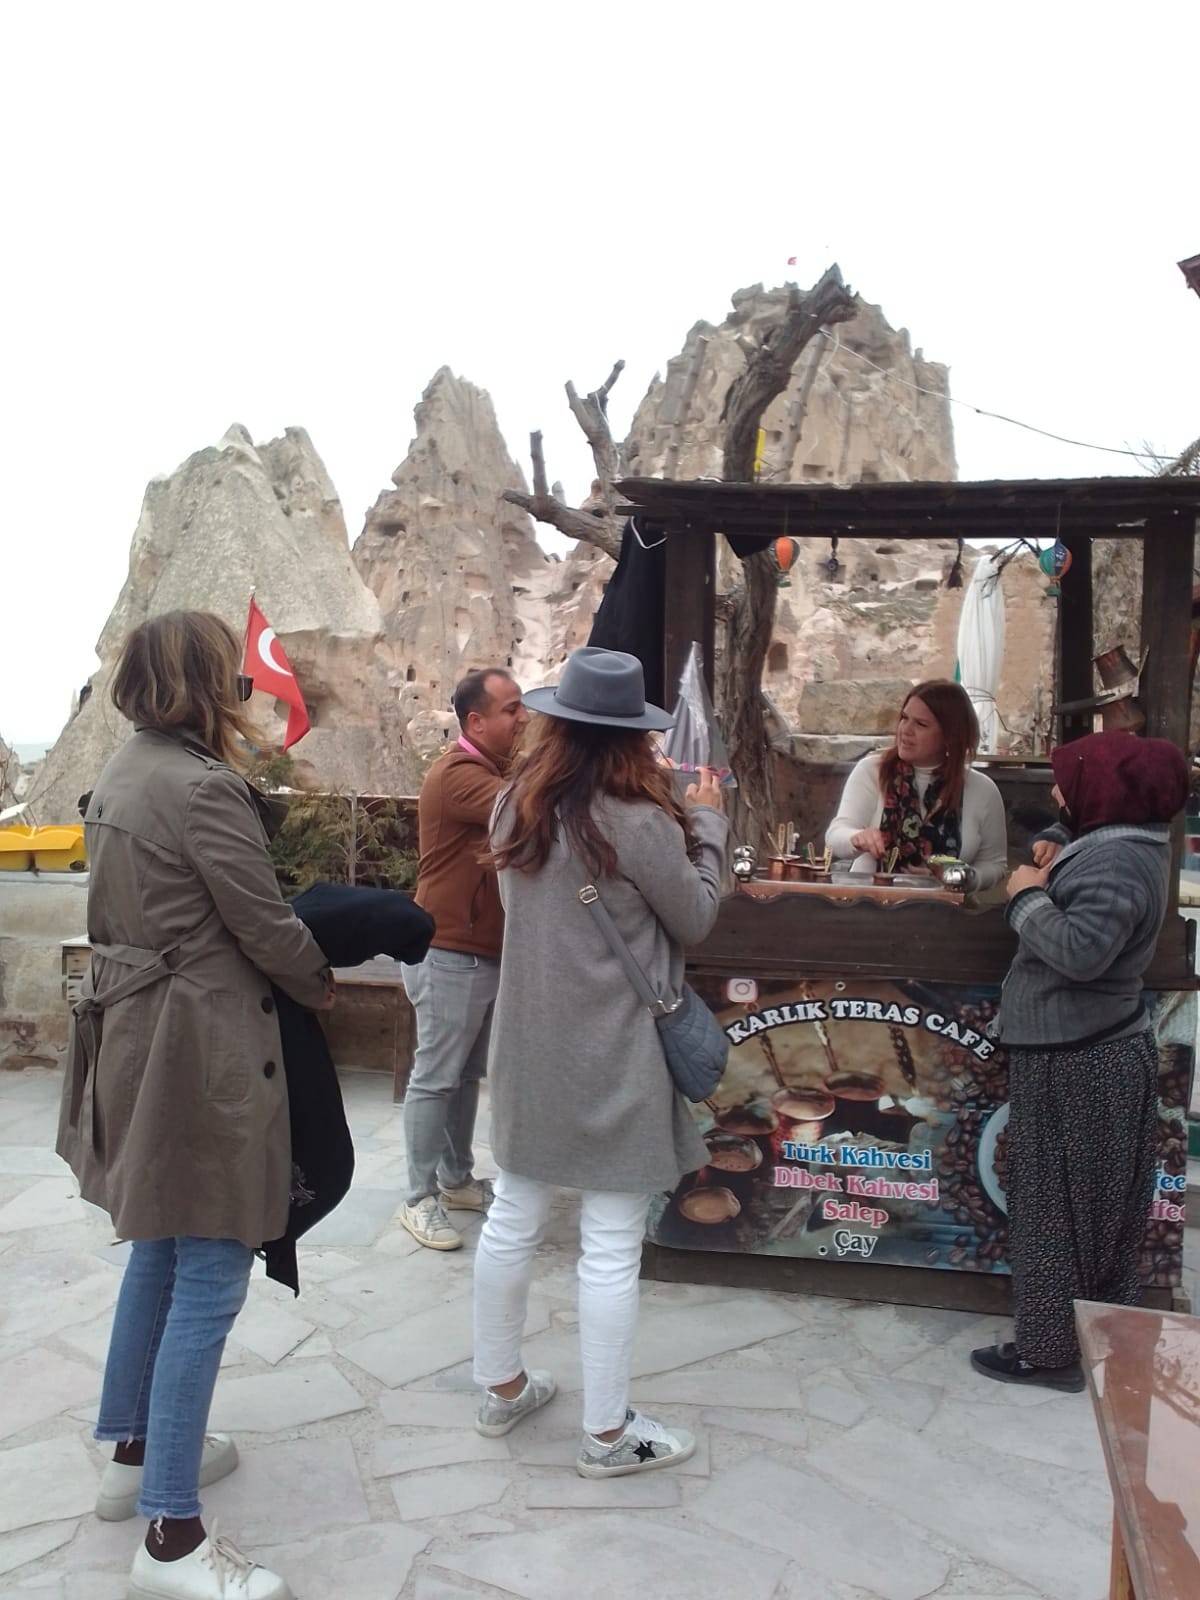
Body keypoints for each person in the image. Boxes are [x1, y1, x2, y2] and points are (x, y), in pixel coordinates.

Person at [56, 611, 335, 1600]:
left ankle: (133, 1452)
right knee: (211, 1268)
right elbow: (264, 924)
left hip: (141, 1037)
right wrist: (319, 979)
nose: (245, 692)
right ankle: (171, 1535)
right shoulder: (203, 787)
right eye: (234, 676)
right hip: (200, 1046)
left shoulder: (125, 769)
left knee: (162, 1245)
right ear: (205, 683)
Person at [471, 646, 728, 1477]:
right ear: (631, 736)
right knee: (611, 1243)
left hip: (529, 1042)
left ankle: (501, 1386)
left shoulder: (512, 805)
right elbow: (695, 916)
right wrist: (710, 823)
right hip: (616, 1053)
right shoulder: (637, 820)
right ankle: (608, 1435)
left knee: (513, 1214)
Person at [971, 730, 1189, 1391]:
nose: (1058, 794)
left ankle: (1048, 1353)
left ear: (1106, 792)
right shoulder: (1130, 842)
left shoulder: (1116, 863)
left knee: (1054, 1212)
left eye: (1070, 784)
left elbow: (1082, 952)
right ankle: (1100, 1341)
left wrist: (1025, 897)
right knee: (1097, 1214)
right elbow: (1090, 863)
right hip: (1091, 1050)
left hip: (1078, 1059)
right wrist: (1060, 842)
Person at [399, 668, 528, 1250]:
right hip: (449, 950)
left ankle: (455, 1180)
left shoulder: (491, 772)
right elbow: (527, 810)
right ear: (476, 722)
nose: (522, 719)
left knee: (464, 1075)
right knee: (435, 1078)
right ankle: (417, 1198)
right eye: (511, 710)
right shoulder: (461, 776)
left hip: (478, 952)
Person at [826, 679, 1008, 887]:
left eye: (921, 724)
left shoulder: (982, 790)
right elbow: (835, 835)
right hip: (869, 901)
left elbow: (995, 864)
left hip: (945, 906)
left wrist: (959, 877)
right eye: (904, 718)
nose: (906, 730)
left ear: (949, 736)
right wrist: (857, 838)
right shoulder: (871, 771)